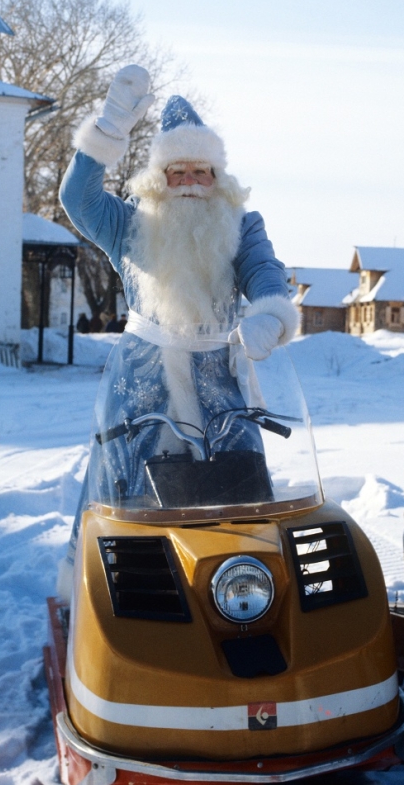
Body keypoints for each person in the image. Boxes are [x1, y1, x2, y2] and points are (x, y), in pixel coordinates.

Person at [57, 66, 298, 596]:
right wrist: (112, 126)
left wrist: (268, 314)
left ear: (219, 178)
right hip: (140, 392)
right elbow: (78, 199)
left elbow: (264, 272)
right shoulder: (127, 224)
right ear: (159, 179)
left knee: (239, 499)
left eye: (202, 172)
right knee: (132, 508)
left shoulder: (242, 224)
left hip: (220, 388)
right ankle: (116, 606)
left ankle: (243, 596)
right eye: (178, 172)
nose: (191, 184)